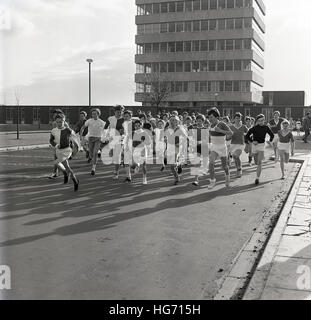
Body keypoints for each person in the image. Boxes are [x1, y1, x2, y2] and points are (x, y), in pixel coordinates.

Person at [49, 113, 79, 191]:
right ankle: (65, 173)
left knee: (64, 165)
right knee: (57, 163)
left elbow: (75, 139)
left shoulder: (68, 130)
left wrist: (77, 148)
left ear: (64, 121)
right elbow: (51, 140)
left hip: (67, 150)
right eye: (58, 122)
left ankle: (75, 180)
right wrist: (55, 145)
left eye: (61, 121)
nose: (59, 123)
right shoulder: (53, 130)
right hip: (59, 150)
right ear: (55, 122)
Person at [245, 114, 274, 185]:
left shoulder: (266, 127)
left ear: (264, 120)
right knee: (256, 162)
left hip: (262, 145)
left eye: (262, 120)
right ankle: (252, 155)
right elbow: (247, 136)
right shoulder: (254, 128)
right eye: (259, 121)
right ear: (257, 121)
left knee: (260, 162)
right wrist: (252, 141)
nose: (261, 122)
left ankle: (257, 178)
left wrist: (269, 141)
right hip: (255, 146)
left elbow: (272, 135)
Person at [207, 108, 233, 189]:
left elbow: (231, 133)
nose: (210, 119)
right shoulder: (210, 125)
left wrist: (220, 130)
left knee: (224, 166)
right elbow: (209, 137)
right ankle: (212, 181)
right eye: (209, 117)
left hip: (222, 147)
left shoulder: (222, 124)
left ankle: (227, 176)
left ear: (216, 117)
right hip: (214, 147)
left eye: (211, 117)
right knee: (211, 163)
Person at [80, 108, 105, 176]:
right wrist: (81, 136)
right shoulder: (89, 121)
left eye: (95, 114)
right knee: (91, 154)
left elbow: (105, 130)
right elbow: (82, 128)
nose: (93, 115)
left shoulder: (101, 122)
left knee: (95, 153)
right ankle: (91, 156)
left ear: (98, 114)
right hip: (90, 138)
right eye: (92, 114)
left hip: (98, 139)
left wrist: (105, 137)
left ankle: (93, 168)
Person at [164, 115, 188, 185]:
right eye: (171, 120)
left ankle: (177, 165)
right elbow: (165, 137)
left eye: (174, 120)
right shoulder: (168, 129)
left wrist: (180, 143)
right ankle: (177, 176)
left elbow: (185, 137)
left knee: (172, 165)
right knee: (171, 167)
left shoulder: (180, 129)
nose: (172, 121)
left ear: (177, 121)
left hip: (177, 148)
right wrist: (165, 140)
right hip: (170, 147)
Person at [103, 105, 125, 179]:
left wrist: (123, 131)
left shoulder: (124, 120)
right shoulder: (110, 118)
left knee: (116, 156)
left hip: (120, 139)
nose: (119, 113)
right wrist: (104, 136)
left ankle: (116, 172)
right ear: (115, 112)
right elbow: (105, 128)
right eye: (118, 112)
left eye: (121, 112)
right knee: (112, 155)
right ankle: (122, 157)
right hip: (112, 139)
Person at [48, 109, 69, 179]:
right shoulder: (54, 123)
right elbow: (53, 133)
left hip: (64, 144)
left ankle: (66, 172)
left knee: (63, 160)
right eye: (54, 115)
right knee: (56, 158)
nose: (54, 116)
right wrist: (52, 143)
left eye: (56, 114)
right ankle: (55, 173)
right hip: (56, 144)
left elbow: (68, 133)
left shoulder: (65, 124)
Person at [189, 114, 209, 186]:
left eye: (200, 121)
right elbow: (190, 138)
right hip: (196, 147)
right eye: (197, 121)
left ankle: (205, 169)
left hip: (204, 147)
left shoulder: (205, 129)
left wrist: (200, 141)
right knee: (196, 163)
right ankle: (196, 179)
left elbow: (207, 139)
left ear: (203, 121)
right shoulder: (193, 129)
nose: (198, 122)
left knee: (205, 163)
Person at [131, 120, 152, 185]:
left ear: (141, 125)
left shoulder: (144, 133)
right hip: (134, 149)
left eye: (138, 125)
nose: (137, 127)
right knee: (133, 165)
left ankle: (144, 178)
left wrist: (143, 142)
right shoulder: (132, 133)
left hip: (143, 149)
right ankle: (137, 165)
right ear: (134, 126)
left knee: (144, 165)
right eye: (136, 126)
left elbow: (149, 142)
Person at [229, 113, 249, 178]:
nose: (238, 119)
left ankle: (239, 169)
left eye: (239, 118)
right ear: (234, 119)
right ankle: (238, 169)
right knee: (235, 157)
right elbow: (228, 136)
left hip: (240, 144)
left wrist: (246, 135)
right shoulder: (231, 127)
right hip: (233, 144)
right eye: (236, 118)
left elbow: (249, 133)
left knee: (235, 155)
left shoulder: (243, 126)